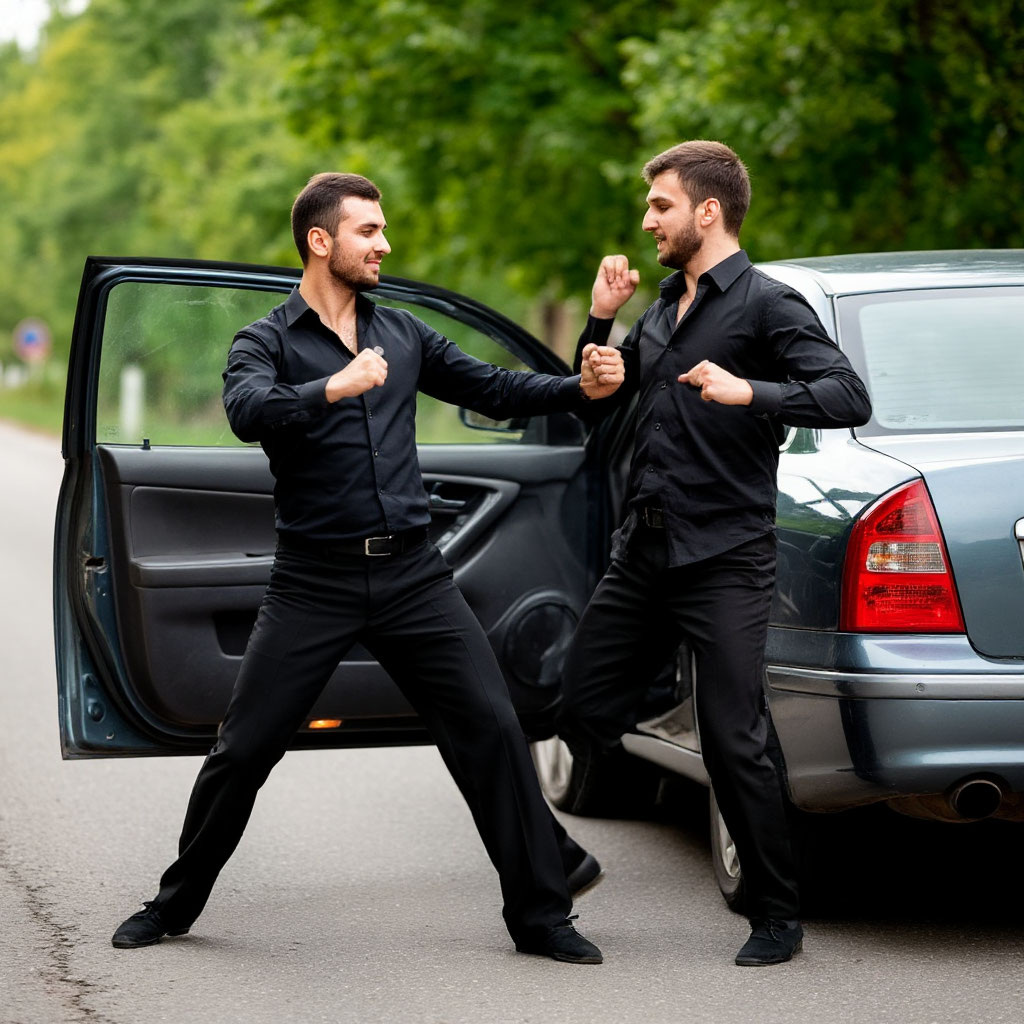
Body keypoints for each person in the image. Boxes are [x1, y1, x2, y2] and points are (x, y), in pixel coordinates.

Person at [111, 172, 624, 964]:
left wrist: (578, 384)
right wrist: (330, 388)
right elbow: (248, 412)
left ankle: (540, 916)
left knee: (491, 727)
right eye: (368, 231)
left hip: (415, 577)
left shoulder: (406, 334)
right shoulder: (266, 342)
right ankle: (174, 905)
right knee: (244, 748)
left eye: (383, 230)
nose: (384, 244)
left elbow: (495, 386)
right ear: (321, 241)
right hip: (312, 581)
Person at [556, 141, 872, 966]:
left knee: (735, 735)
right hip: (644, 552)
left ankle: (777, 915)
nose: (648, 219)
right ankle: (556, 861)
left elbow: (847, 393)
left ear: (708, 210)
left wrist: (751, 391)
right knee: (579, 705)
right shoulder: (662, 309)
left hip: (726, 554)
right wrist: (597, 328)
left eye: (660, 205)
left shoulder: (769, 305)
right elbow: (602, 402)